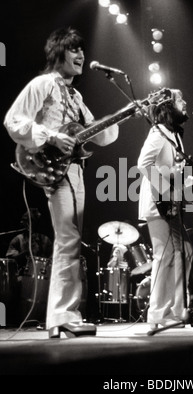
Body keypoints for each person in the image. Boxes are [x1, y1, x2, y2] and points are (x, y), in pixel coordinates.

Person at [4, 27, 120, 338]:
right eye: (74, 50)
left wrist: (122, 116)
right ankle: (62, 316)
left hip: (75, 170)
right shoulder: (43, 84)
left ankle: (63, 316)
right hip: (51, 166)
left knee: (70, 240)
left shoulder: (76, 96)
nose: (81, 55)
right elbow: (14, 121)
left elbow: (101, 134)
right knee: (68, 238)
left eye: (82, 50)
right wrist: (53, 136)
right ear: (59, 54)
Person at [137, 88, 193, 330]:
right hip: (158, 204)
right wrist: (166, 193)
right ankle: (158, 313)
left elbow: (175, 173)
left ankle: (176, 309)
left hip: (171, 204)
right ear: (168, 106)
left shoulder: (174, 135)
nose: (185, 102)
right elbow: (143, 164)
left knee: (186, 252)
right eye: (181, 99)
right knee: (165, 255)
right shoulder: (158, 133)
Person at [6, 208, 53, 275]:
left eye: (28, 221)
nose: (22, 222)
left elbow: (52, 257)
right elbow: (10, 259)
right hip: (22, 275)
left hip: (42, 275)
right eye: (24, 220)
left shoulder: (45, 239)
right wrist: (27, 252)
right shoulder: (18, 239)